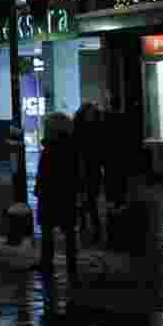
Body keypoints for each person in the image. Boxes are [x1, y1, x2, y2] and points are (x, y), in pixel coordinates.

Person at [34, 112, 80, 286]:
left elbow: (45, 172)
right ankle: (71, 264)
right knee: (68, 231)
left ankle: (47, 262)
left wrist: (40, 188)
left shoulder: (52, 148)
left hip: (52, 194)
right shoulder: (71, 147)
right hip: (66, 194)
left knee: (48, 229)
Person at [74, 103, 104, 240]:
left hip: (91, 166)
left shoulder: (90, 127)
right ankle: (87, 223)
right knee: (85, 195)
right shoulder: (94, 127)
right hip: (84, 165)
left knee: (90, 196)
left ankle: (89, 223)